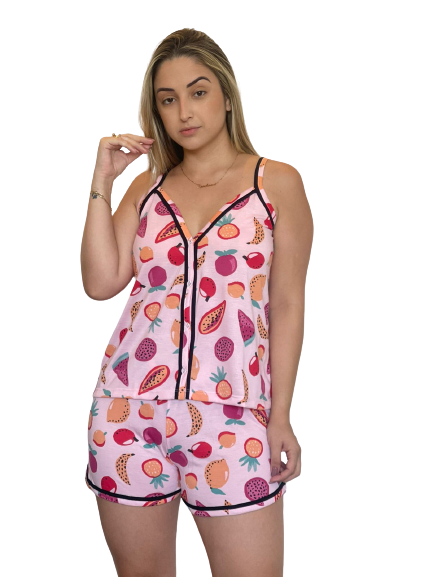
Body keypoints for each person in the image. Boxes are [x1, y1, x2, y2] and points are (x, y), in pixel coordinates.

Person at [81, 27, 311, 577]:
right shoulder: (147, 187)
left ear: (227, 95)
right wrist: (102, 180)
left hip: (234, 415)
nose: (184, 111)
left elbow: (286, 304)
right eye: (168, 99)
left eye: (198, 91)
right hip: (126, 411)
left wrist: (280, 415)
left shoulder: (276, 183)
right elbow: (100, 282)